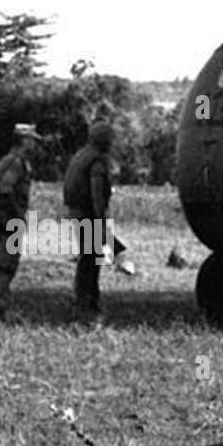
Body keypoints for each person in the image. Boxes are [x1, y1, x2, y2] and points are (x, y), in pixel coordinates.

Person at [63, 119, 134, 324]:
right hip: (89, 216)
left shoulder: (80, 156)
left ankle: (85, 301)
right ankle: (88, 304)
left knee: (88, 259)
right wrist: (102, 223)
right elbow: (97, 195)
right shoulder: (97, 161)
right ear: (105, 141)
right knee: (92, 262)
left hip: (77, 214)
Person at [0, 122, 40, 320]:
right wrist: (17, 215)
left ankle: (1, 304)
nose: (34, 145)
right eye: (32, 140)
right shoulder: (16, 163)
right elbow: (5, 187)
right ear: (24, 140)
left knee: (5, 264)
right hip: (11, 221)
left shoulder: (8, 160)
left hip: (6, 219)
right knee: (7, 266)